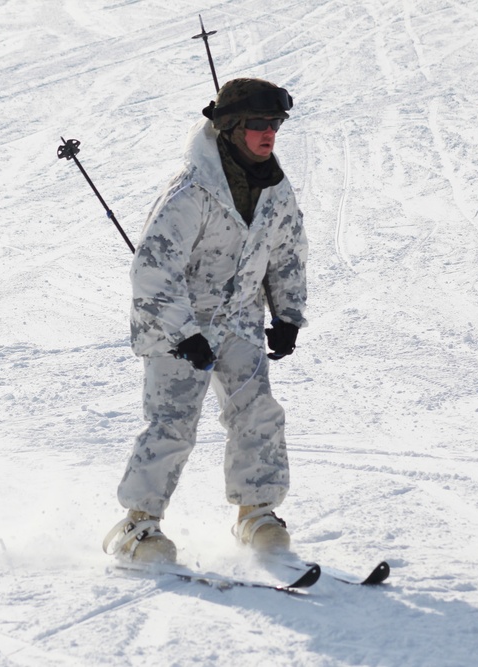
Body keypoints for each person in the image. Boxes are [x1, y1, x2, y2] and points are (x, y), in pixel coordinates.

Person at [102, 78, 309, 564]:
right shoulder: (191, 191)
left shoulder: (275, 188)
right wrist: (183, 332)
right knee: (172, 425)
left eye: (275, 124)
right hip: (177, 329)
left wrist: (288, 314)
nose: (269, 134)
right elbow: (152, 270)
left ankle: (255, 514)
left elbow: (288, 251)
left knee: (257, 414)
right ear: (232, 129)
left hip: (238, 320)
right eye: (258, 124)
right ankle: (138, 526)